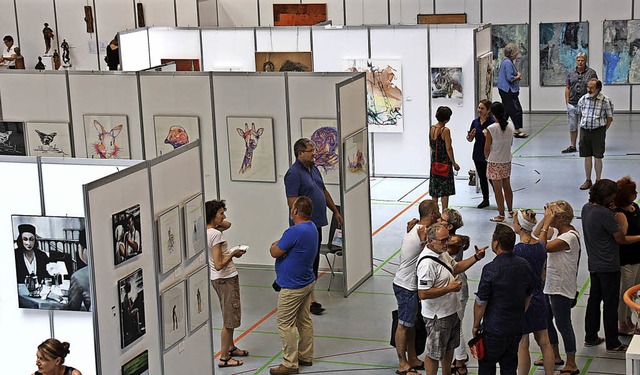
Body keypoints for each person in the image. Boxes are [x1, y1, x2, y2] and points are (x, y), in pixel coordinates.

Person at [417, 223, 486, 375]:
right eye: (442, 240)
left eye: (447, 239)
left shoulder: (442, 253)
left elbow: (456, 267)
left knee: (449, 348)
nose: (446, 243)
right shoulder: (427, 264)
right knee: (434, 353)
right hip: (437, 316)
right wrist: (449, 288)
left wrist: (476, 257)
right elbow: (423, 293)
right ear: (431, 240)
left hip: (451, 311)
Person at [284, 138, 343, 315]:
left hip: (316, 223)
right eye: (310, 151)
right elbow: (292, 201)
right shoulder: (293, 174)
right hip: (304, 227)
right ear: (299, 153)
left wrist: (335, 211)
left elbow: (323, 191)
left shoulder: (314, 169)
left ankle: (309, 296)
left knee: (314, 259)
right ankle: (309, 299)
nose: (314, 154)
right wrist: (302, 220)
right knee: (307, 259)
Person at [582, 179, 640, 352]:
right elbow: (621, 238)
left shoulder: (586, 209)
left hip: (594, 263)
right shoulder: (606, 215)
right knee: (610, 305)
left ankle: (590, 336)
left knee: (593, 301)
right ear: (606, 196)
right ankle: (613, 342)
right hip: (609, 265)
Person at [473, 224, 534, 375]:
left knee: (487, 367)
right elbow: (528, 295)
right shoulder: (524, 265)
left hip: (494, 330)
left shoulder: (490, 269)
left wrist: (475, 325)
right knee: (509, 366)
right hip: (515, 329)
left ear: (496, 243)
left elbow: (481, 303)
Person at [269, 196, 318, 375]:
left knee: (285, 323)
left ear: (295, 211)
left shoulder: (294, 232)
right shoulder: (312, 228)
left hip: (292, 287)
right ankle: (306, 355)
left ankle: (290, 363)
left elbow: (275, 251)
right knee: (304, 320)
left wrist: (274, 244)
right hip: (307, 282)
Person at [393, 200, 440, 374]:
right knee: (404, 325)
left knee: (411, 323)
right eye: (438, 211)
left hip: (409, 285)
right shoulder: (423, 234)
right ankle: (402, 362)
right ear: (433, 214)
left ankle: (412, 357)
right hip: (406, 286)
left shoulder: (419, 228)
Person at [534, 200, 580, 375]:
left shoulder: (568, 237)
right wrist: (544, 220)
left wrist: (547, 223)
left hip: (561, 287)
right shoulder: (559, 232)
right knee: (546, 320)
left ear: (559, 218)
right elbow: (538, 234)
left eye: (552, 214)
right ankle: (554, 354)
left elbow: (542, 247)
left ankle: (571, 362)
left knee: (563, 324)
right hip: (550, 284)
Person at [206, 199, 249, 368]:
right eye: (221, 213)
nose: (224, 216)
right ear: (212, 216)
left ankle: (230, 347)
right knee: (229, 319)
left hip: (218, 279)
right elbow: (218, 263)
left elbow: (228, 224)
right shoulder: (216, 235)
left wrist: (218, 218)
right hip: (225, 278)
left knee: (229, 314)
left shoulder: (209, 231)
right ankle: (224, 358)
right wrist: (232, 254)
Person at [512, 209, 554, 375]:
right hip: (540, 296)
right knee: (545, 341)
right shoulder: (540, 247)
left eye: (515, 222)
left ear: (520, 226)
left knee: (523, 343)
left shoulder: (517, 251)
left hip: (523, 301)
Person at [438, 209, 471, 375]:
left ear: (450, 226)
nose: (438, 220)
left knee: (456, 326)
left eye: (442, 220)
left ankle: (460, 362)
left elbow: (444, 250)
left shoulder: (453, 242)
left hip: (458, 288)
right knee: (454, 326)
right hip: (452, 288)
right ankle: (459, 358)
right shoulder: (451, 238)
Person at [614, 176, 640, 335]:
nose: (635, 194)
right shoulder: (619, 214)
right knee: (626, 292)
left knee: (635, 292)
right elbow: (622, 239)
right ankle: (622, 322)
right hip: (627, 260)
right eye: (632, 193)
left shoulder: (635, 207)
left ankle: (630, 319)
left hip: (638, 257)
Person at [577, 79, 614, 190]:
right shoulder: (583, 99)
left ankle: (598, 181)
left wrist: (603, 130)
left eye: (592, 87)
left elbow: (609, 118)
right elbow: (580, 114)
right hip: (585, 131)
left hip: (598, 131)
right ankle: (588, 180)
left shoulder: (605, 101)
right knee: (587, 157)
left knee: (598, 157)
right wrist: (583, 125)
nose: (589, 89)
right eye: (588, 87)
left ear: (599, 88)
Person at [484, 102, 514, 223]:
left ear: (492, 113)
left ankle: (501, 215)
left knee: (498, 190)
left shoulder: (491, 129)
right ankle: (510, 210)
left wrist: (487, 157)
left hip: (495, 161)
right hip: (506, 160)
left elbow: (487, 148)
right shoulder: (511, 125)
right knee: (507, 186)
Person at [563, 52, 598, 154]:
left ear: (585, 61)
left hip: (586, 104)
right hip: (572, 103)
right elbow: (567, 87)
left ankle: (585, 145)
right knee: (573, 126)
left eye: (582, 60)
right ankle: (572, 145)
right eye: (578, 60)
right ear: (576, 61)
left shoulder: (591, 73)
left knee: (585, 126)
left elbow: (596, 87)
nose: (580, 62)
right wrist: (567, 102)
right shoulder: (571, 73)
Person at [429, 106, 460, 210]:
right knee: (444, 191)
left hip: (434, 161)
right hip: (444, 162)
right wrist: (454, 163)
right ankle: (444, 213)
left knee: (435, 189)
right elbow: (449, 148)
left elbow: (431, 145)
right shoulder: (445, 130)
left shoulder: (432, 128)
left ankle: (434, 213)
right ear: (447, 119)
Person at [467, 99, 495, 209]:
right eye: (479, 108)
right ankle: (485, 199)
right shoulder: (475, 122)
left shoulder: (492, 123)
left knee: (492, 178)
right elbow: (469, 139)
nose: (479, 110)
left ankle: (499, 198)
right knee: (482, 178)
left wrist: (487, 137)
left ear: (488, 110)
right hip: (478, 153)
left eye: (482, 108)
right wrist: (471, 135)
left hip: (490, 154)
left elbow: (496, 139)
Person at [497, 43, 528, 138]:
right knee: (516, 110)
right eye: (516, 52)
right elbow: (510, 78)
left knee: (506, 110)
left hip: (505, 89)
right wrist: (518, 76)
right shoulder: (508, 63)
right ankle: (517, 130)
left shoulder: (507, 62)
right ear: (512, 53)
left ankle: (501, 127)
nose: (517, 54)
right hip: (508, 90)